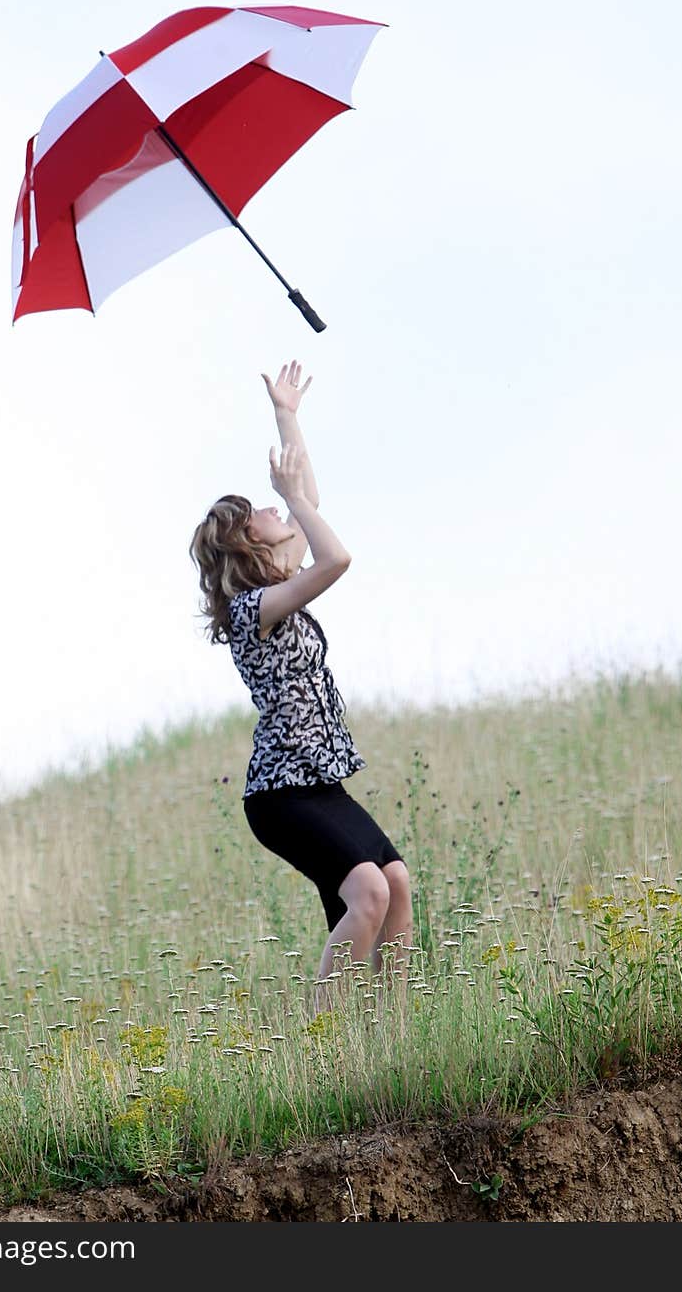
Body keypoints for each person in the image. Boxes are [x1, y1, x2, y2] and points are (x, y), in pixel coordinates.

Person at [189, 360, 413, 1020]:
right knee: (368, 894)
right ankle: (318, 1046)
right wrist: (296, 497)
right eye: (259, 512)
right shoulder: (253, 608)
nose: (274, 509)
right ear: (246, 545)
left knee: (395, 883)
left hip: (318, 780)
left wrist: (287, 414)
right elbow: (336, 557)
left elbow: (307, 503)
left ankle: (394, 1038)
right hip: (280, 795)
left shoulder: (277, 586)